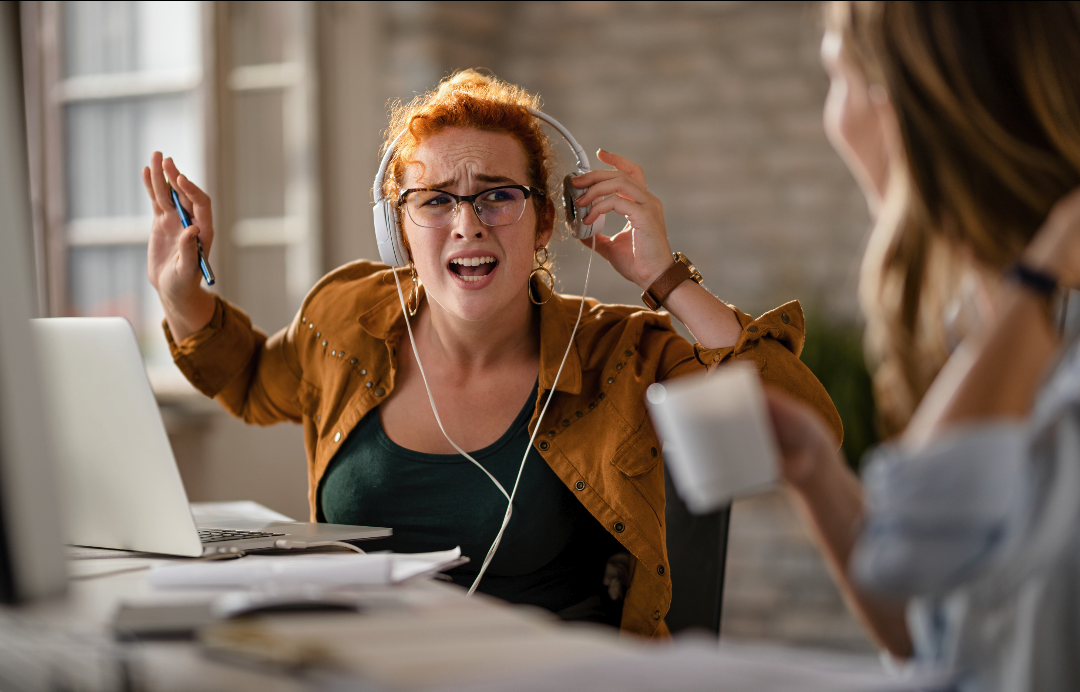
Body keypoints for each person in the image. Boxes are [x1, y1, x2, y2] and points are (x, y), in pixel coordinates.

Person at [143, 70, 841, 637]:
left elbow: (804, 429)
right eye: (436, 201)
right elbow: (252, 378)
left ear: (544, 222)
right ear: (398, 231)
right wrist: (181, 294)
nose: (467, 224)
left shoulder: (615, 353)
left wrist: (666, 280)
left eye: (498, 196)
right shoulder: (345, 318)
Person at [765, 1, 1080, 688]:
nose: (834, 120)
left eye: (838, 78)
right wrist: (819, 475)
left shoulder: (1048, 328)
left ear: (906, 103)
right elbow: (937, 621)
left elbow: (925, 570)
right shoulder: (992, 315)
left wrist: (1037, 280)